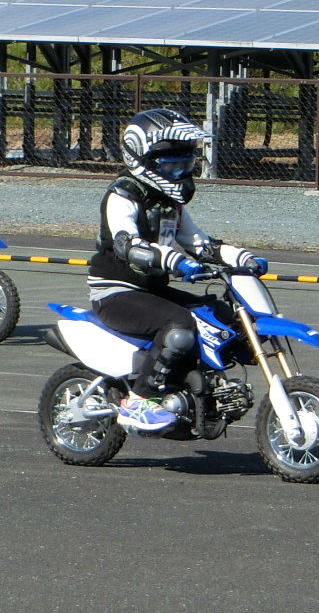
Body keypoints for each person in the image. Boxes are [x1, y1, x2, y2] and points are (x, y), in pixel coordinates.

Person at [87, 108, 267, 434]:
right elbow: (127, 244)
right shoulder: (123, 195)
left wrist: (242, 258)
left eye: (186, 164)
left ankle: (201, 391)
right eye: (173, 165)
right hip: (116, 291)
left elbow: (201, 244)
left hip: (151, 291)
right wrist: (173, 260)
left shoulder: (171, 204)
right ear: (144, 159)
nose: (181, 172)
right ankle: (139, 403)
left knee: (218, 313)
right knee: (180, 327)